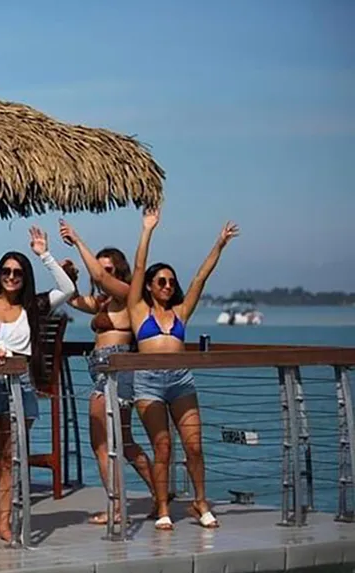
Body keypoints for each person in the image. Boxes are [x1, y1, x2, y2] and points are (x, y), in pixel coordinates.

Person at [0, 226, 75, 542]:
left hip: (20, 383)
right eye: (6, 271)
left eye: (18, 273)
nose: (11, 277)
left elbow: (67, 288)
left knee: (13, 458)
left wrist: (44, 254)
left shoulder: (32, 308)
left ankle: (4, 520)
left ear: (25, 278)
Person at [128, 207, 238, 531]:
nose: (167, 285)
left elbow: (200, 278)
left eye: (170, 282)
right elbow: (137, 267)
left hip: (180, 381)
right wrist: (148, 229)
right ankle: (162, 506)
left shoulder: (181, 311)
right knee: (162, 447)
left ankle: (199, 501)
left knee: (194, 446)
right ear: (149, 285)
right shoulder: (138, 310)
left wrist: (219, 245)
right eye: (160, 281)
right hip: (147, 382)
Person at [57, 219, 155, 524]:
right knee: (123, 443)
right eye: (102, 270)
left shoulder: (129, 295)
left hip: (116, 369)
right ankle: (160, 494)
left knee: (102, 443)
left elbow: (97, 274)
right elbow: (72, 299)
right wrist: (64, 272)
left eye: (109, 270)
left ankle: (116, 507)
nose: (101, 276)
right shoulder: (103, 302)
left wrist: (77, 239)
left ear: (119, 272)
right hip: (104, 370)